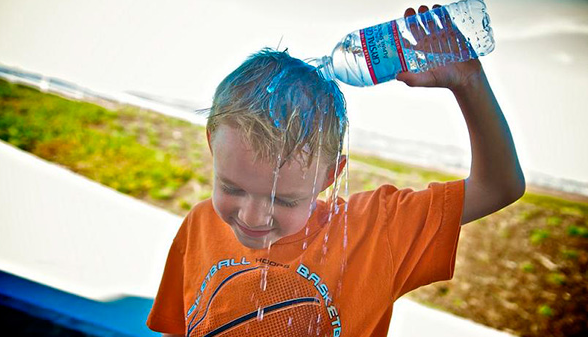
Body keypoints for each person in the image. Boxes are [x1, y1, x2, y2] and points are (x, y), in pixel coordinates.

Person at [146, 5, 525, 337]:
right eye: (233, 188)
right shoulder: (199, 225)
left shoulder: (375, 233)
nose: (253, 217)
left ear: (331, 174)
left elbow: (499, 186)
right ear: (212, 144)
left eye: (285, 199)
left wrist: (469, 84)